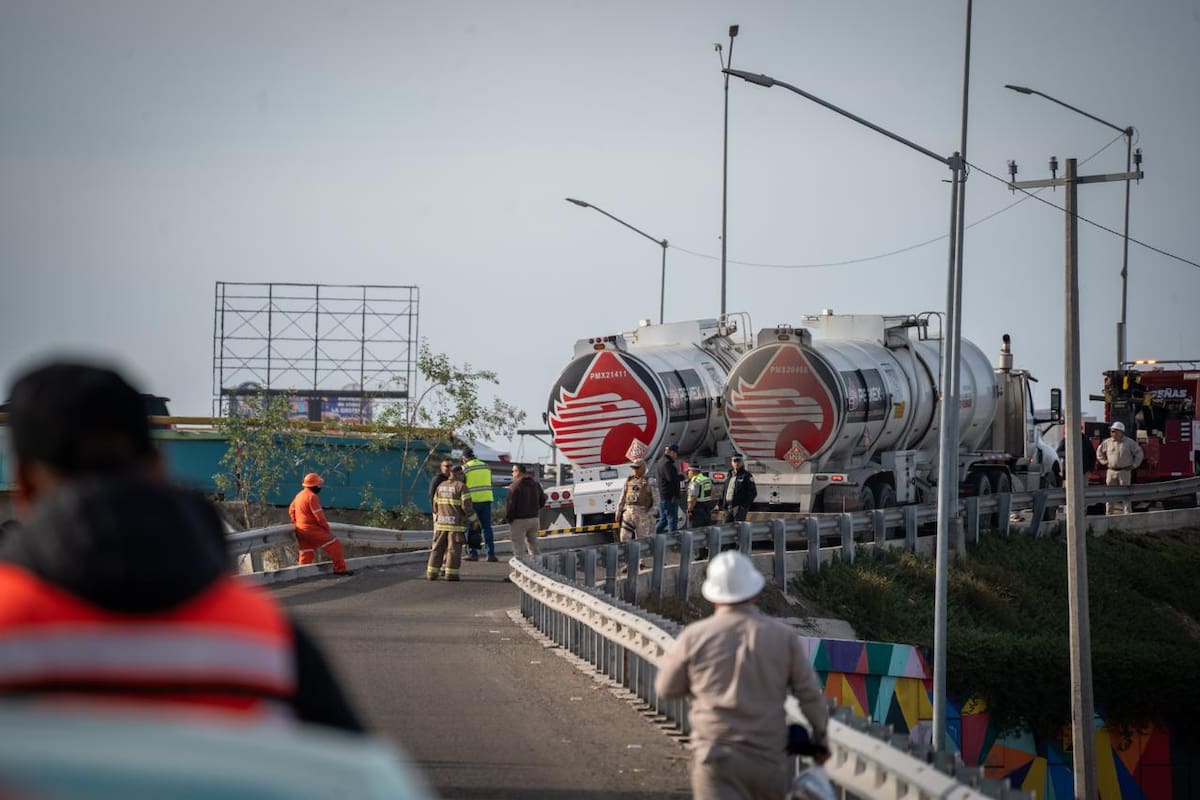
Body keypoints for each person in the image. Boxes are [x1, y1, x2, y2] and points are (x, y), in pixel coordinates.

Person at [0, 361, 363, 731]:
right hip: (312, 537)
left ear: (24, 484)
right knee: (332, 546)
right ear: (158, 466)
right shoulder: (267, 636)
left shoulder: (7, 625)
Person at [655, 551, 830, 800]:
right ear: (756, 593)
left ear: (713, 597)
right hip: (768, 760)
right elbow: (810, 695)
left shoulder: (695, 636)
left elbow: (666, 688)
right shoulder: (783, 637)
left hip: (715, 756)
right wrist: (820, 738)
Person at [288, 472, 352, 575]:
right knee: (335, 545)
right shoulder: (312, 497)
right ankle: (340, 570)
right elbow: (320, 517)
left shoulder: (299, 495)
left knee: (306, 552)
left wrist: (297, 522)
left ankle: (301, 574)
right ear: (314, 486)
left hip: (300, 529)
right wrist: (326, 528)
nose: (320, 487)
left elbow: (291, 509)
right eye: (318, 485)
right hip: (311, 529)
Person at [428, 463, 479, 581]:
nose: (463, 476)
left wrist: (440, 515)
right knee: (453, 550)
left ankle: (432, 573)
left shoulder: (441, 486)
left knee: (437, 548)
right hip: (455, 525)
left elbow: (435, 505)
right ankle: (451, 574)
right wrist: (474, 520)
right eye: (462, 473)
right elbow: (467, 507)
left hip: (441, 523)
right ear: (457, 474)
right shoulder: (461, 487)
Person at [1096, 420, 1143, 515]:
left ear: (1120, 432)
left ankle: (1127, 514)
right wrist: (1103, 462)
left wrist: (1134, 465)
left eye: (1114, 431)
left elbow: (1139, 453)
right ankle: (1109, 514)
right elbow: (1099, 452)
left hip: (1124, 472)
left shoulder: (1129, 443)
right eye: (1111, 431)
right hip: (1111, 472)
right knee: (1109, 495)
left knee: (1126, 494)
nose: (1112, 433)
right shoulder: (1107, 442)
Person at [615, 458, 654, 571]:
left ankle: (642, 561)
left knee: (641, 538)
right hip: (629, 512)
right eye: (633, 468)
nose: (635, 470)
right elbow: (623, 496)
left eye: (637, 468)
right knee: (624, 537)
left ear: (643, 468)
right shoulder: (629, 480)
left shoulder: (650, 481)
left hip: (642, 513)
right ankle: (628, 562)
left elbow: (656, 498)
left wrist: (651, 512)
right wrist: (619, 510)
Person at [462, 447, 496, 562]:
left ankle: (473, 553)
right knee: (487, 528)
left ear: (464, 458)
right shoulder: (485, 466)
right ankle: (490, 554)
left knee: (472, 527)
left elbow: (461, 486)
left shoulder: (465, 468)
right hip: (486, 500)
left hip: (472, 501)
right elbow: (491, 482)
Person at [506, 463, 546, 560]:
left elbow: (511, 505)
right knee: (534, 547)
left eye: (513, 471)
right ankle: (538, 569)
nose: (512, 474)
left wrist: (509, 519)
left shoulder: (514, 486)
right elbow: (543, 500)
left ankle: (519, 573)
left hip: (519, 520)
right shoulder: (536, 484)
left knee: (518, 548)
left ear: (518, 472)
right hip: (534, 519)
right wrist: (535, 510)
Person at [721, 454, 757, 523]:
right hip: (728, 507)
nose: (736, 463)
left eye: (738, 461)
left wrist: (744, 506)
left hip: (739, 508)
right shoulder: (729, 475)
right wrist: (721, 504)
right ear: (731, 462)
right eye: (734, 461)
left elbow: (753, 492)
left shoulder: (746, 475)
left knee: (738, 528)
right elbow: (725, 490)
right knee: (725, 527)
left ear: (742, 462)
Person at [655, 443, 682, 533]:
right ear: (671, 452)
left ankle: (652, 536)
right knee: (672, 520)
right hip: (670, 497)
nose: (676, 456)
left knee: (664, 520)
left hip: (664, 496)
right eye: (675, 453)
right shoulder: (667, 464)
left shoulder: (660, 462)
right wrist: (682, 477)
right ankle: (673, 541)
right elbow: (671, 478)